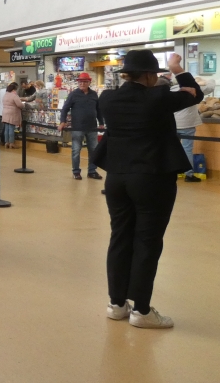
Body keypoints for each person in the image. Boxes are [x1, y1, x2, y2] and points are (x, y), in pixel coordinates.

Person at [94, 50, 202, 329]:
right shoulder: (160, 97)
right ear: (149, 75)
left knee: (120, 237)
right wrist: (177, 70)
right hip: (152, 177)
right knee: (147, 240)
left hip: (116, 177)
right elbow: (195, 94)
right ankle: (141, 310)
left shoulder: (107, 98)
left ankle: (117, 304)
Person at [59, 72, 104, 180]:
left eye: (84, 82)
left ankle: (92, 171)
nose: (82, 84)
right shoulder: (73, 94)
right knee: (76, 150)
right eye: (80, 82)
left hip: (92, 127)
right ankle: (76, 171)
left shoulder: (94, 94)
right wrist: (62, 121)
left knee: (93, 150)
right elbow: (65, 108)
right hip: (77, 127)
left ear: (89, 83)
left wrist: (101, 122)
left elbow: (98, 109)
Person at [171, 76, 214, 183]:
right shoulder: (192, 89)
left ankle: (173, 173)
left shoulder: (171, 90)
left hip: (173, 124)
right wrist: (202, 80)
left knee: (173, 150)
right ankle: (189, 174)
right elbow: (211, 86)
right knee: (187, 149)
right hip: (187, 124)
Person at [1, 82, 24, 149]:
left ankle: (6, 142)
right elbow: (20, 105)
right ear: (13, 89)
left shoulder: (5, 95)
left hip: (5, 113)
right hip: (12, 113)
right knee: (11, 128)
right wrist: (23, 105)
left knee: (6, 129)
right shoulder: (14, 96)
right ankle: (12, 143)